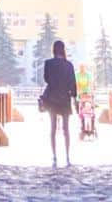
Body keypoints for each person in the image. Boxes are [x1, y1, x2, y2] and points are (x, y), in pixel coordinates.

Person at [42, 39, 78, 168]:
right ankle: (67, 156)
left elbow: (46, 79)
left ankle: (54, 156)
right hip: (64, 99)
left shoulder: (48, 63)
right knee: (66, 129)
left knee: (52, 128)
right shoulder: (69, 65)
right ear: (63, 50)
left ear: (53, 50)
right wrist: (74, 95)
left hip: (52, 98)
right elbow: (73, 82)